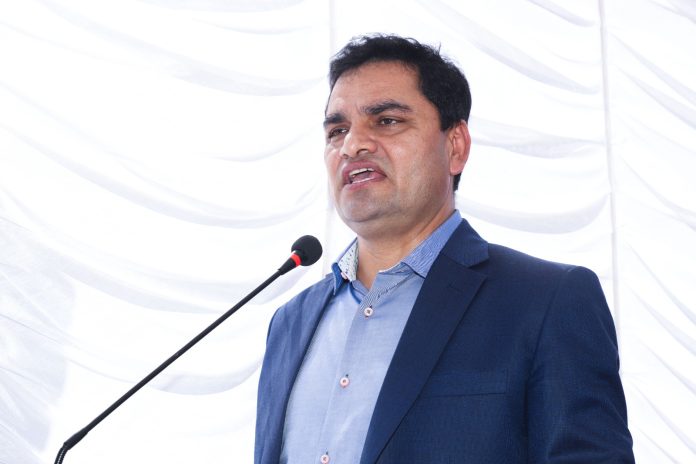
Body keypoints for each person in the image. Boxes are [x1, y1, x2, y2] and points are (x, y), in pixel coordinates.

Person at [255, 34, 634, 464]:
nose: (352, 145)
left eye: (387, 121)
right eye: (336, 130)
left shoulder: (546, 301)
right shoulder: (289, 323)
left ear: (456, 147)